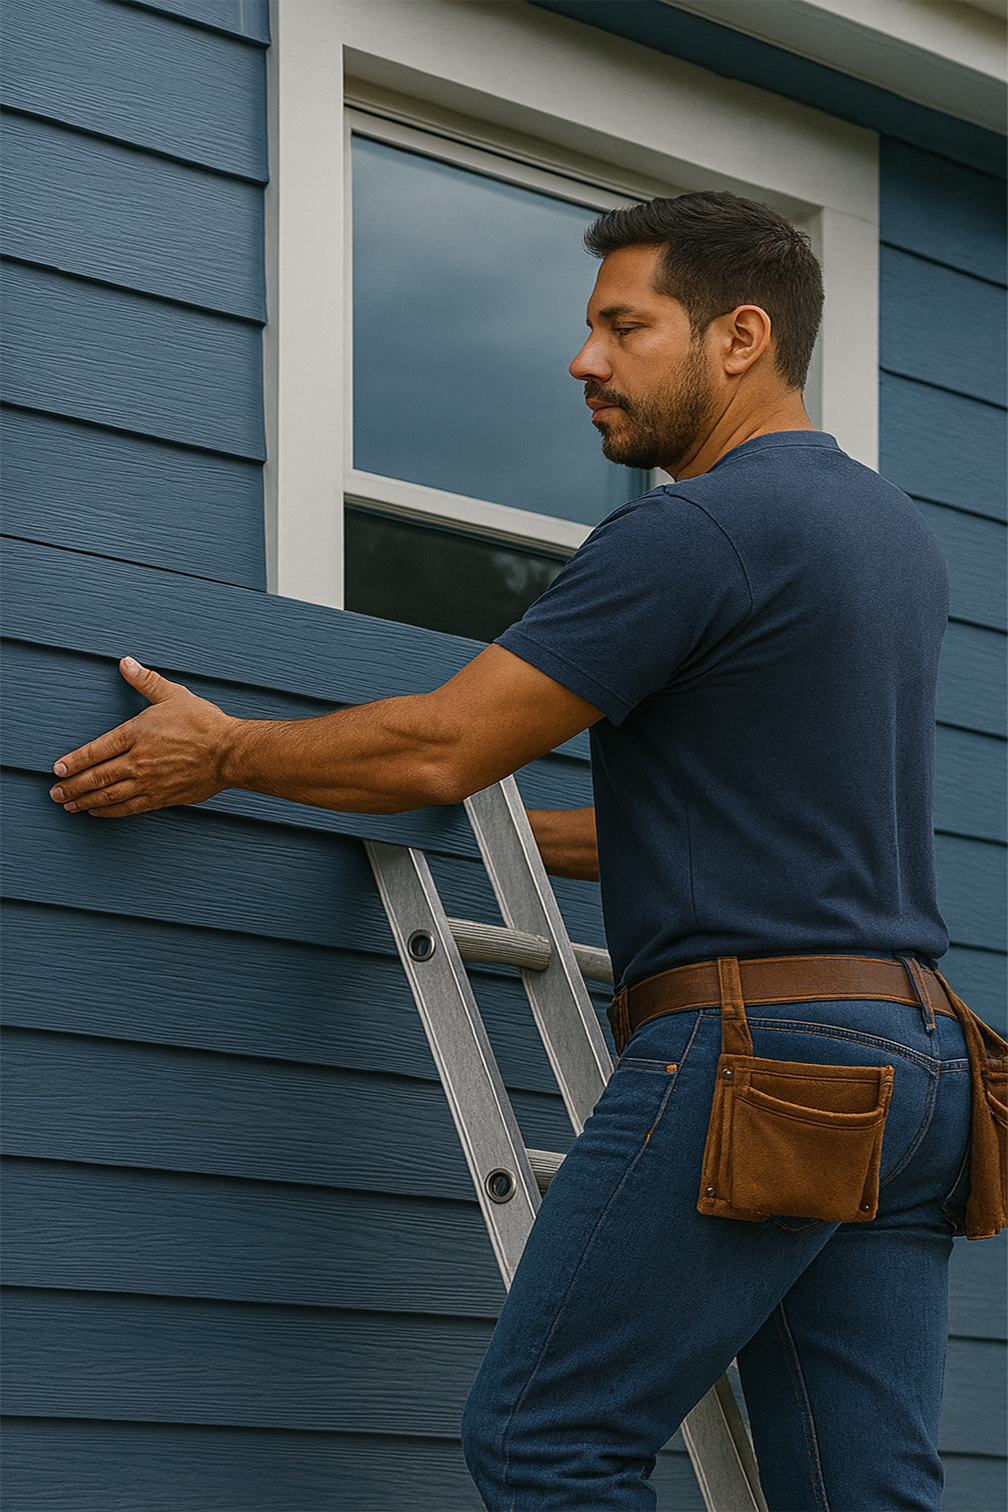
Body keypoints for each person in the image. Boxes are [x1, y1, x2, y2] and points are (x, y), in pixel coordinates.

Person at [48, 194, 994, 1512]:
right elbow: (741, 822)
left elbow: (445, 748)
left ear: (738, 337)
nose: (583, 359)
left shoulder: (693, 530)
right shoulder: (887, 537)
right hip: (925, 1071)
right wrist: (511, 843)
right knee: (859, 1494)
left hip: (765, 1058)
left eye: (624, 325)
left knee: (550, 1440)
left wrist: (228, 752)